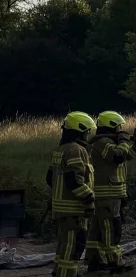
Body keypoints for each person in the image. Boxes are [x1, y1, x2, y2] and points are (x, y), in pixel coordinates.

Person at [85, 111, 136, 274]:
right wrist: (124, 139)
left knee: (98, 230)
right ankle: (115, 262)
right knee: (111, 229)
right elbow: (118, 156)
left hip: (110, 194)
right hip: (107, 195)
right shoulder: (102, 142)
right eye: (119, 126)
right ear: (112, 126)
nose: (121, 129)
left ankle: (95, 260)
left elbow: (127, 156)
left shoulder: (109, 142)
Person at [46, 111, 96, 277]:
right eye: (87, 131)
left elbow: (50, 179)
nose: (88, 134)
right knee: (73, 246)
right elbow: (74, 181)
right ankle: (68, 274)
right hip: (73, 209)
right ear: (80, 131)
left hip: (61, 209)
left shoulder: (60, 149)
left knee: (64, 245)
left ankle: (59, 272)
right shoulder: (76, 150)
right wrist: (88, 198)